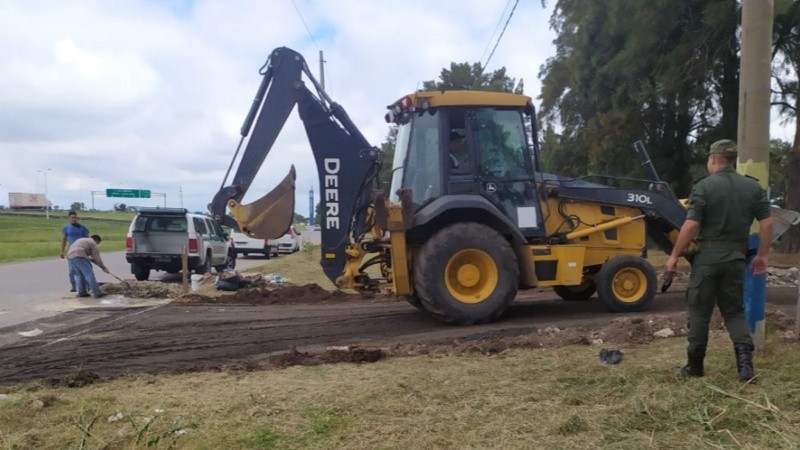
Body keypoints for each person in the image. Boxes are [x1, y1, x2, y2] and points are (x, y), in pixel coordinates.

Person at [666, 139, 773, 381]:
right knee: (734, 312)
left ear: (713, 159)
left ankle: (695, 367)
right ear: (732, 160)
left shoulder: (704, 187)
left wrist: (674, 256)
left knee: (699, 311)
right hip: (736, 258)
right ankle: (745, 367)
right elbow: (767, 223)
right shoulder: (752, 188)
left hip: (707, 260)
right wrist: (763, 255)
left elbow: (691, 224)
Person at [66, 234, 109, 299]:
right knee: (89, 274)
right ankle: (97, 293)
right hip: (79, 255)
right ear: (96, 240)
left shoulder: (83, 240)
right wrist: (103, 267)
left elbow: (92, 259)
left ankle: (82, 292)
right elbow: (97, 258)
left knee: (79, 275)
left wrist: (101, 266)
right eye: (98, 243)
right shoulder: (93, 243)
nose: (97, 245)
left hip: (71, 256)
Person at [60, 211, 90, 292]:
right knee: (71, 271)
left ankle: (87, 286)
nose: (74, 219)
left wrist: (89, 252)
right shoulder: (66, 228)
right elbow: (64, 239)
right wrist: (62, 251)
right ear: (69, 218)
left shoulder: (83, 228)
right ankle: (73, 285)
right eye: (72, 217)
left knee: (83, 270)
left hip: (82, 252)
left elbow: (88, 240)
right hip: (71, 252)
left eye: (75, 217)